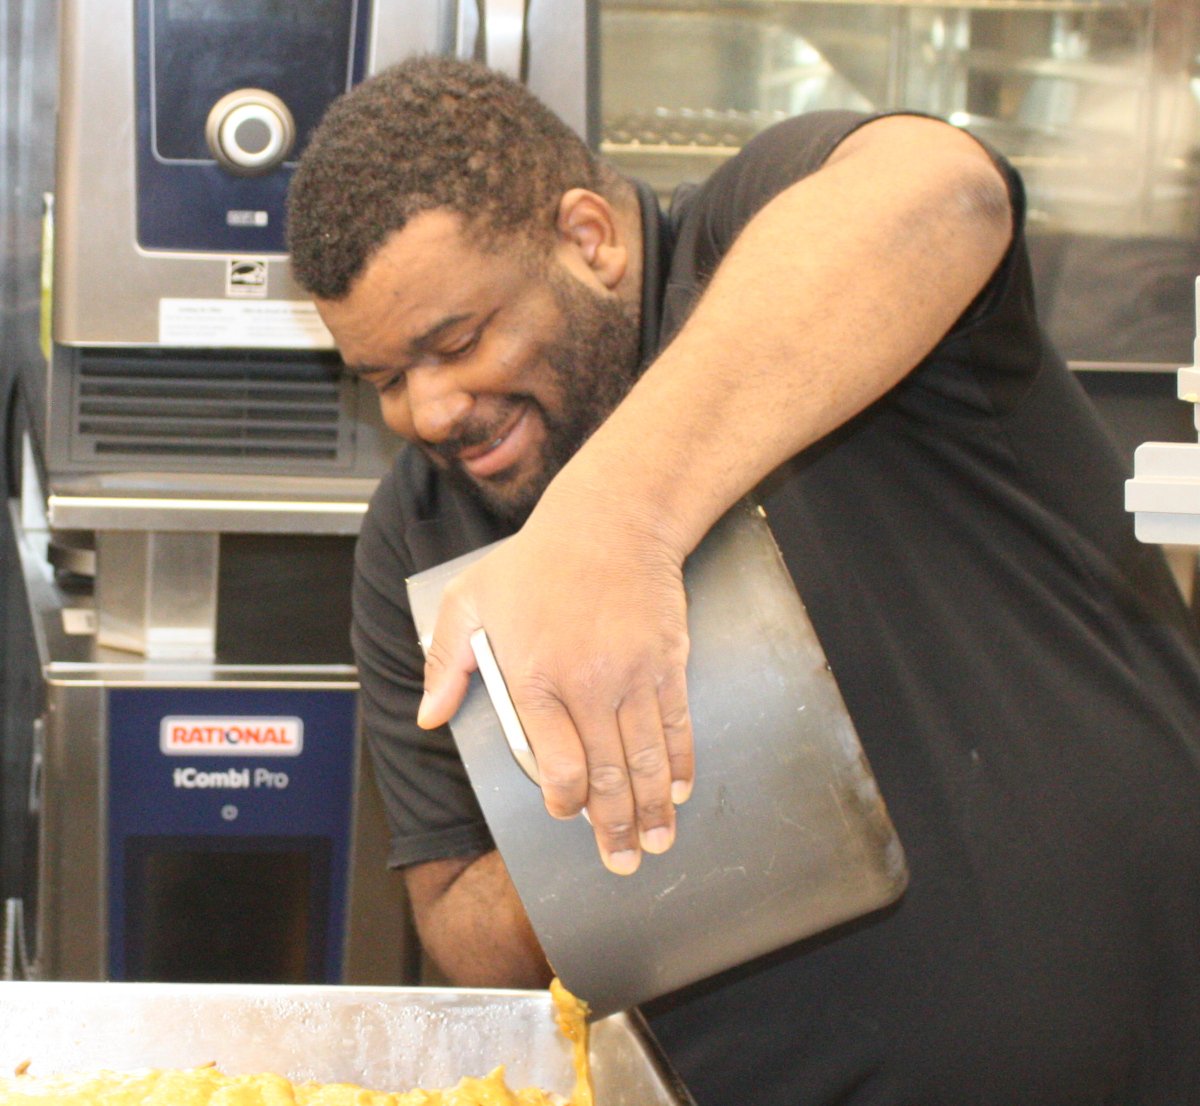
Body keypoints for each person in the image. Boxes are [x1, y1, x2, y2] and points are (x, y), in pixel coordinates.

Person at [287, 56, 1200, 1105]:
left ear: (590, 237)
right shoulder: (419, 534)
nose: (432, 410)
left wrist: (612, 520)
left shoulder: (748, 249)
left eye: (458, 341)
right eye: (387, 380)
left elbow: (947, 191)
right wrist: (622, 803)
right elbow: (459, 922)